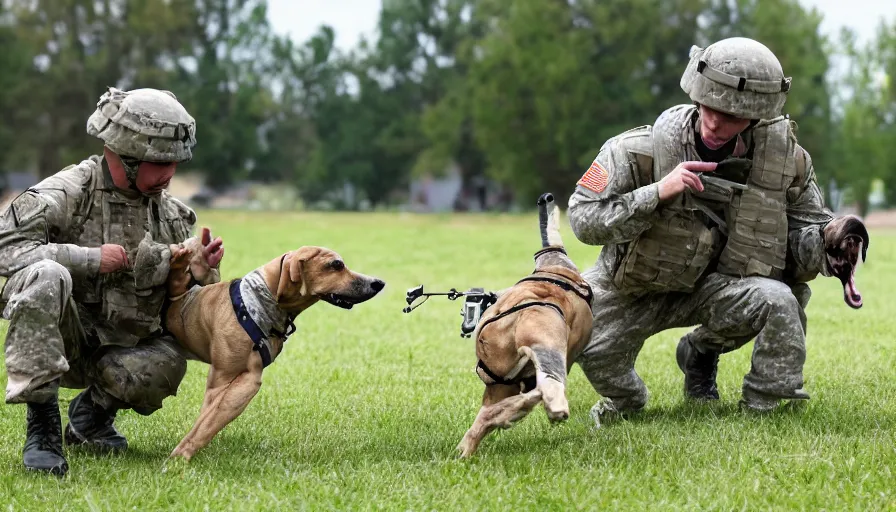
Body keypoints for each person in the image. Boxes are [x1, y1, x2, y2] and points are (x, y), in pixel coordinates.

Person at [566, 37, 869, 421]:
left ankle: (752, 399)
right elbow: (582, 218)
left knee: (779, 300)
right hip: (634, 285)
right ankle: (626, 400)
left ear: (756, 116)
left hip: (716, 286)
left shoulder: (785, 163)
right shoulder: (636, 151)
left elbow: (801, 235)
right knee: (585, 343)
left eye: (730, 116)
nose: (714, 121)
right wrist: (657, 193)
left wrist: (830, 245)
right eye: (709, 107)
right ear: (697, 97)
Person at [0, 87, 224, 476]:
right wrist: (89, 259)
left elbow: (186, 319)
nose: (169, 174)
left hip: (123, 346)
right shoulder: (69, 192)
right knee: (46, 274)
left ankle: (91, 418)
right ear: (125, 154)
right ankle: (44, 428)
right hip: (62, 336)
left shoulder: (172, 216)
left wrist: (200, 277)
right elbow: (6, 250)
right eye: (160, 162)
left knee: (166, 364)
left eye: (175, 163)